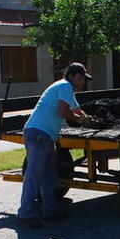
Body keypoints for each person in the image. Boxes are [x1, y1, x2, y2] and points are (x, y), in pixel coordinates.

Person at [17, 63, 91, 227]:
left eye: (84, 79)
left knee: (49, 175)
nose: (82, 82)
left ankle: (50, 211)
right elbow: (63, 113)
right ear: (71, 76)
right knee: (35, 174)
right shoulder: (64, 86)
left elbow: (77, 109)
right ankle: (25, 213)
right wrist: (80, 121)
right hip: (38, 133)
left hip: (46, 135)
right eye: (79, 78)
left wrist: (88, 118)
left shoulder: (67, 89)